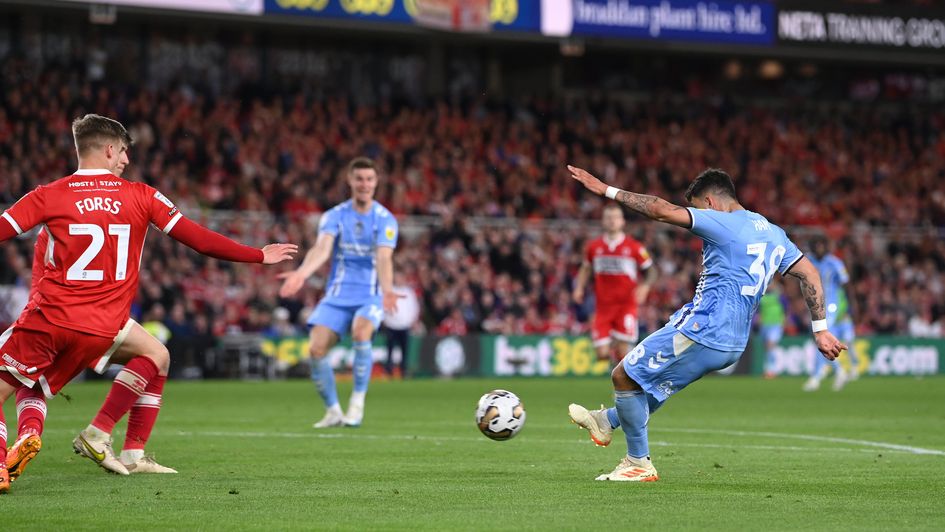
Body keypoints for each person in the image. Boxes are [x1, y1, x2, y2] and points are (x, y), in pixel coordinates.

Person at [0, 114, 297, 493]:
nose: (125, 160)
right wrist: (258, 255)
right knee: (157, 355)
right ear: (109, 150)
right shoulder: (143, 195)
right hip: (105, 327)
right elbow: (199, 239)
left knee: (11, 386)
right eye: (123, 152)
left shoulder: (48, 195)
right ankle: (119, 446)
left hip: (53, 318)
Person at [566, 165, 845, 482]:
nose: (697, 214)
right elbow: (810, 274)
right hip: (733, 343)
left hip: (703, 328)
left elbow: (660, 210)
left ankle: (637, 463)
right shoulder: (773, 232)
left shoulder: (724, 222)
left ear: (711, 202)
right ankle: (607, 421)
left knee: (624, 376)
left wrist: (607, 191)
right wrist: (820, 330)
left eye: (697, 206)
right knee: (654, 387)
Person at [278, 157, 400, 429]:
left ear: (376, 182)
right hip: (337, 294)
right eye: (359, 179)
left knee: (361, 332)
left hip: (370, 294)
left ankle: (357, 404)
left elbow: (383, 258)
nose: (364, 184)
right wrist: (301, 273)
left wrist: (388, 290)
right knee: (316, 348)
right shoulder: (334, 215)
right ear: (350, 180)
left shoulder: (385, 219)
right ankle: (333, 411)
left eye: (369, 179)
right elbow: (322, 248)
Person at [573, 204, 656, 365]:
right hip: (603, 307)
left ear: (622, 221)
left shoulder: (634, 247)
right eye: (608, 218)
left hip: (626, 305)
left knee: (623, 352)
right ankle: (620, 362)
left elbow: (651, 271)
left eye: (615, 217)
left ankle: (624, 385)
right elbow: (585, 268)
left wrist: (645, 286)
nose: (612, 221)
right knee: (602, 354)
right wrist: (579, 287)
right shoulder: (593, 247)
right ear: (603, 221)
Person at [803, 236, 858, 391]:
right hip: (815, 305)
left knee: (822, 338)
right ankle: (838, 371)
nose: (819, 248)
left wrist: (852, 306)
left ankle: (817, 376)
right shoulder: (809, 261)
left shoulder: (834, 262)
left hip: (831, 306)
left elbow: (846, 284)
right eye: (817, 245)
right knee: (819, 340)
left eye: (822, 245)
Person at [381, 271, 420, 378]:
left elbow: (414, 307)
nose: (398, 280)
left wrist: (413, 320)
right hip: (391, 325)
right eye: (397, 277)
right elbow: (383, 306)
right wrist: (384, 319)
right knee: (390, 350)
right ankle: (389, 370)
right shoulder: (389, 291)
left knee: (405, 350)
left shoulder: (409, 292)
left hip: (405, 325)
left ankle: (404, 370)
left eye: (400, 277)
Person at [759, 279, 786, 379]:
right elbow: (759, 311)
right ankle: (768, 370)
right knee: (767, 348)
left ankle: (772, 370)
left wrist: (784, 321)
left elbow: (785, 309)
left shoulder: (778, 296)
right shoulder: (762, 297)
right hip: (765, 324)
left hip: (776, 324)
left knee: (771, 345)